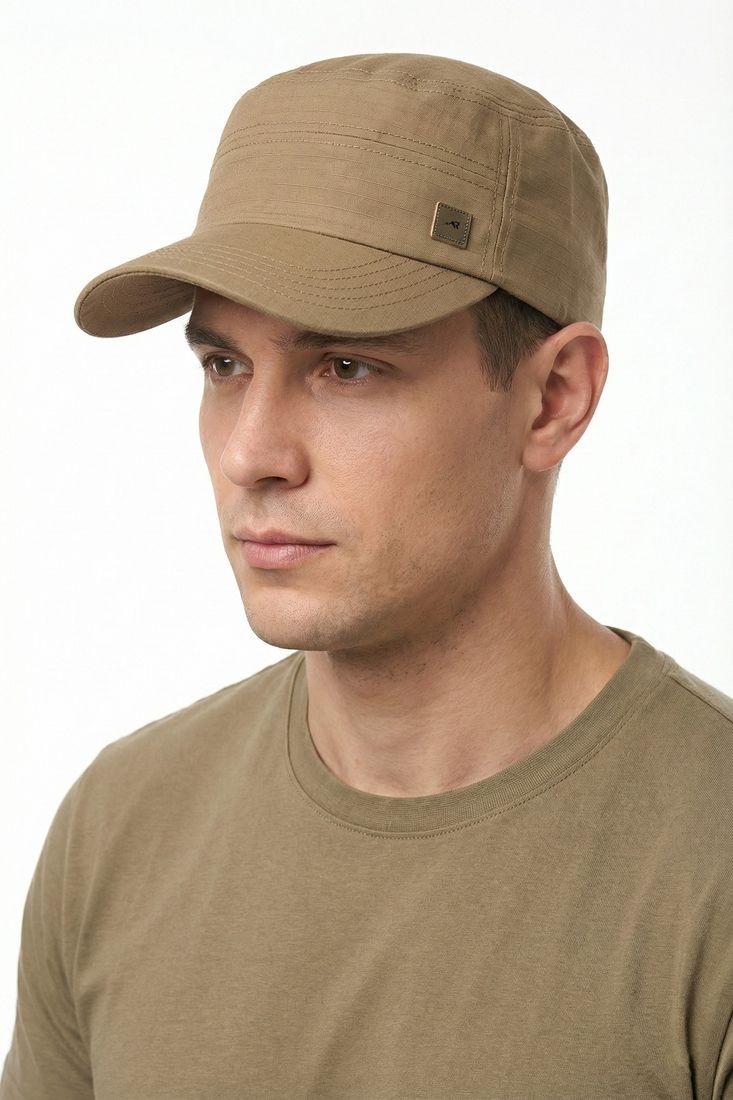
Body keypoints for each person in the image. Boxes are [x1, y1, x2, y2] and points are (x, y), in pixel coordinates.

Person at [1, 52, 731, 1100]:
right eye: (223, 366)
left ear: (553, 399)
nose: (250, 452)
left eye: (346, 366)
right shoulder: (119, 829)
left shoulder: (706, 862)